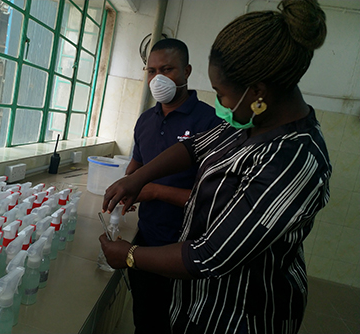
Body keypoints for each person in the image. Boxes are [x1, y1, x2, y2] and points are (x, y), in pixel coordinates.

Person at [100, 1, 331, 333]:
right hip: (195, 297)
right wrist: (138, 178)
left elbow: (210, 255)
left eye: (222, 94)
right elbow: (195, 146)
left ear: (258, 93)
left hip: (238, 315)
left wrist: (130, 256)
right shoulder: (250, 121)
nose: (220, 104)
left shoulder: (294, 161)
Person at [125, 38, 221, 334]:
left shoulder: (211, 123)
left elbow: (214, 197)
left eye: (167, 69)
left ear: (187, 71)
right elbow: (137, 164)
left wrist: (154, 191)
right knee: (145, 319)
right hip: (148, 237)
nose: (158, 79)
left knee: (176, 325)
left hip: (186, 248)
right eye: (151, 71)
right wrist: (128, 184)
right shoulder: (145, 120)